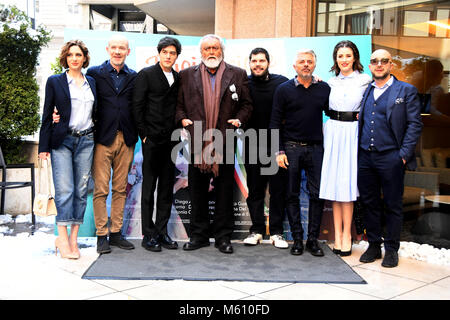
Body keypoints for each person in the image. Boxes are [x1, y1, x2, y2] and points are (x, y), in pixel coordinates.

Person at [175, 34, 253, 254]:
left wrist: (240, 119)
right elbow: (179, 105)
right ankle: (198, 236)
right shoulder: (186, 75)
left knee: (225, 193)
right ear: (201, 52)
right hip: (197, 140)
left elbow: (247, 105)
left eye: (215, 48)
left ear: (222, 51)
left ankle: (223, 238)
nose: (211, 52)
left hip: (225, 139)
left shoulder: (237, 74)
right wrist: (183, 119)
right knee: (197, 192)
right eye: (207, 48)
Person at [358, 49, 422, 268]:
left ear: (391, 65)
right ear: (369, 66)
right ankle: (374, 245)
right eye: (374, 61)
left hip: (391, 157)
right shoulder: (367, 90)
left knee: (393, 204)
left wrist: (403, 155)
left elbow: (414, 124)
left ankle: (392, 250)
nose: (379, 64)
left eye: (384, 61)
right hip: (366, 156)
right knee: (369, 203)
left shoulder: (406, 90)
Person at [38, 40, 97, 259]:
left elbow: (96, 112)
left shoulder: (91, 82)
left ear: (84, 58)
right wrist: (43, 146)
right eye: (71, 55)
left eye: (78, 55)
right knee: (65, 190)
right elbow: (47, 115)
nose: (74, 58)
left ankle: (74, 239)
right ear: (65, 58)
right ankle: (62, 238)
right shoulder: (55, 81)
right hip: (62, 141)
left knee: (81, 191)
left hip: (87, 141)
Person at [270, 49, 330, 256]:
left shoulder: (324, 88)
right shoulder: (283, 90)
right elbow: (275, 122)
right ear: (294, 66)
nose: (306, 64)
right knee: (291, 194)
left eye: (309, 61)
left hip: (316, 149)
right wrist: (279, 151)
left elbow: (332, 113)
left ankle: (312, 240)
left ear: (314, 65)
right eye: (301, 62)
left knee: (316, 195)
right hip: (291, 148)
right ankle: (297, 239)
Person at [85, 35, 138, 254]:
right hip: (102, 138)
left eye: (122, 48)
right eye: (114, 47)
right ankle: (101, 235)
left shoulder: (134, 77)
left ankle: (116, 233)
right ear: (107, 49)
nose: (118, 51)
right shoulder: (94, 73)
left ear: (128, 51)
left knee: (120, 189)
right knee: (100, 189)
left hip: (126, 138)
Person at [319, 40, 372, 256]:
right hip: (332, 132)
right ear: (335, 59)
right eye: (340, 56)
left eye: (348, 56)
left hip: (352, 133)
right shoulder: (329, 82)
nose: (344, 60)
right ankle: (337, 235)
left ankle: (347, 235)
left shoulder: (365, 80)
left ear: (355, 57)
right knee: (334, 185)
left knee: (347, 186)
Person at [132, 36, 182, 252]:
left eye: (172, 53)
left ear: (176, 56)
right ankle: (148, 234)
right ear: (159, 53)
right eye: (165, 52)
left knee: (165, 190)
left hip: (171, 141)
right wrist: (144, 135)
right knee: (149, 189)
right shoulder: (146, 74)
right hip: (151, 140)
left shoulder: (179, 77)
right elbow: (137, 106)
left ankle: (162, 233)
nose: (168, 56)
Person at [242, 48, 289, 248]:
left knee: (278, 190)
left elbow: (301, 86)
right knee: (255, 190)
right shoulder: (243, 83)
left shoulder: (282, 82)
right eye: (254, 61)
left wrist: (317, 80)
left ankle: (277, 232)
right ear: (250, 63)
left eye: (262, 60)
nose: (258, 64)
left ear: (268, 62)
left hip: (276, 144)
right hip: (252, 142)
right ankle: (257, 230)